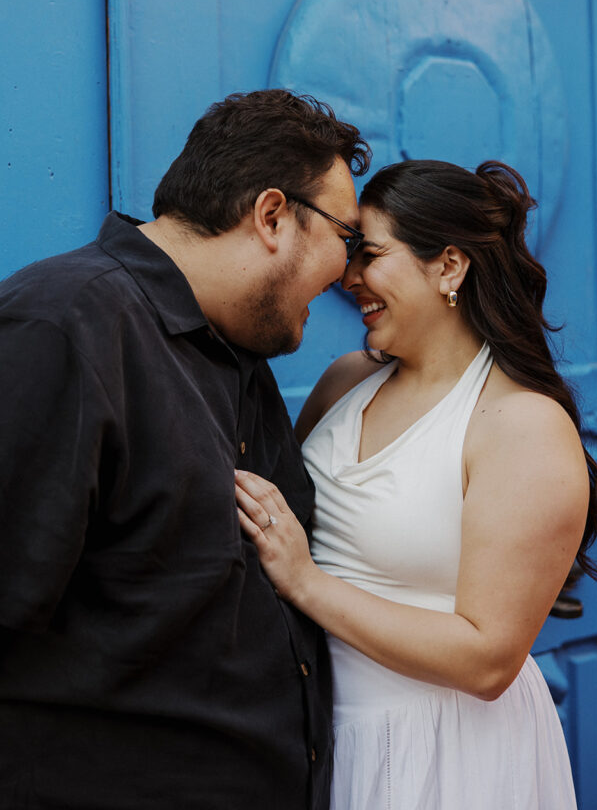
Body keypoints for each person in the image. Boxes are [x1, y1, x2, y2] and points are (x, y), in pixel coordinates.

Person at [0, 89, 371, 810]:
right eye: (346, 238)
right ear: (271, 216)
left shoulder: (239, 354)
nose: (351, 276)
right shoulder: (64, 326)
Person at [235, 158, 597, 810]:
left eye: (370, 254)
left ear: (448, 267)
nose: (348, 277)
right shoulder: (344, 382)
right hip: (321, 735)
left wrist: (305, 583)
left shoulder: (520, 424)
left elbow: (487, 659)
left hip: (445, 753)